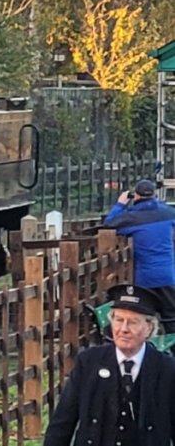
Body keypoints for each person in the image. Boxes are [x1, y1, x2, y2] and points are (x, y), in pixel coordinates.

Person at [44, 284, 175, 446]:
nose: (124, 329)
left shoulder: (167, 369)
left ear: (149, 328)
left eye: (133, 322)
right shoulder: (88, 363)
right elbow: (62, 423)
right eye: (119, 320)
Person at [103, 179, 175, 334]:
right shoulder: (168, 213)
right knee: (171, 318)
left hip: (144, 279)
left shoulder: (132, 218)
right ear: (155, 195)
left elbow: (108, 225)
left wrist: (121, 204)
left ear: (135, 196)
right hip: (168, 276)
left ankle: (146, 350)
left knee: (144, 316)